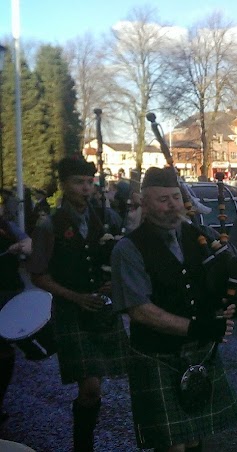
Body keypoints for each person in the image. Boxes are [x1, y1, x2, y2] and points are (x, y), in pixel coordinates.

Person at [110, 167, 237, 451]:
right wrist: (198, 327)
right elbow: (140, 310)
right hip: (157, 355)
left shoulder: (201, 235)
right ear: (145, 204)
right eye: (163, 199)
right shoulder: (128, 249)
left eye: (175, 197)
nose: (172, 205)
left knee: (194, 438)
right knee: (173, 445)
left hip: (199, 352)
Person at [27, 156, 128, 452]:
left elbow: (123, 259)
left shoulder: (108, 219)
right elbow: (38, 275)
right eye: (77, 182)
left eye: (89, 182)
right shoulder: (49, 225)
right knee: (90, 388)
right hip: (71, 312)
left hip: (103, 309)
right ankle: (83, 446)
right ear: (64, 185)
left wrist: (115, 281)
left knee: (96, 388)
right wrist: (75, 297)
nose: (85, 188)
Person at [0, 193, 32, 425]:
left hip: (9, 291)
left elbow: (28, 243)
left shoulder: (6, 226)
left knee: (5, 349)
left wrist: (24, 245)